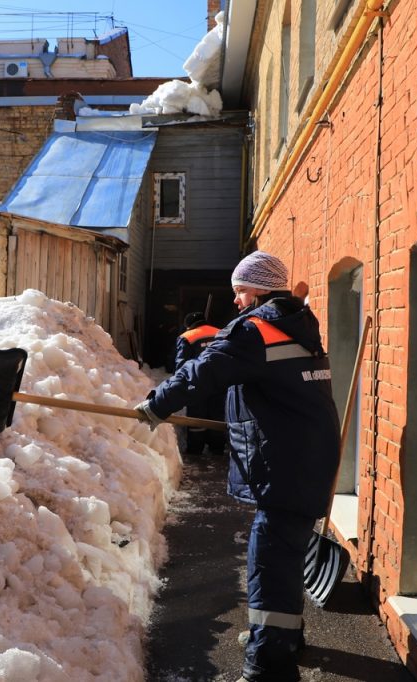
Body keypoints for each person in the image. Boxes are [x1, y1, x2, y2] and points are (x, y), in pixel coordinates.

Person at [135, 251, 341, 682]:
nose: (236, 301)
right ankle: (283, 638)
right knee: (282, 559)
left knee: (268, 560)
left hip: (287, 464)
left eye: (241, 290)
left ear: (262, 288)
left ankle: (269, 665)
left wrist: (157, 405)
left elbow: (202, 371)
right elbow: (276, 390)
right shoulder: (299, 323)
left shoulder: (256, 330)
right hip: (306, 456)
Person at [173, 311, 225, 456]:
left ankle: (195, 450)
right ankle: (217, 449)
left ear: (188, 326)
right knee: (217, 416)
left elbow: (181, 364)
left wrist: (179, 385)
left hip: (197, 384)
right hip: (219, 382)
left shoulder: (186, 337)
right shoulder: (221, 333)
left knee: (196, 417)